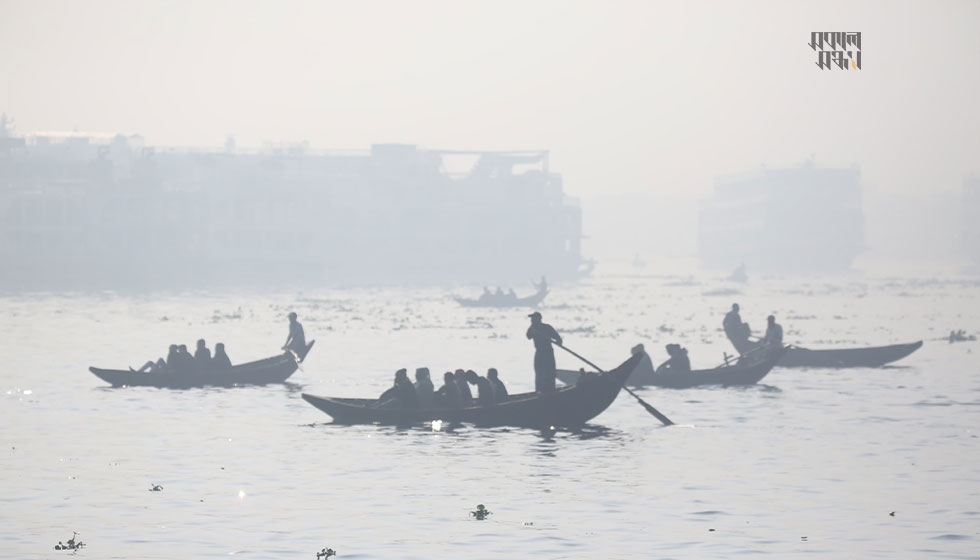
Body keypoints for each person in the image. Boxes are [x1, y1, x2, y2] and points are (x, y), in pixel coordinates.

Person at [526, 311, 562, 393]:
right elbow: (528, 336)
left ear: (538, 319)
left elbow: (558, 339)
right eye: (531, 319)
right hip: (539, 352)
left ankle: (550, 390)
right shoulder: (532, 328)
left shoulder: (547, 327)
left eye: (533, 319)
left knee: (550, 373)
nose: (531, 320)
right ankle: (539, 391)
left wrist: (558, 342)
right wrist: (532, 328)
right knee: (539, 373)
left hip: (548, 352)